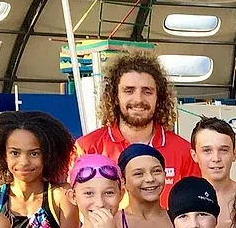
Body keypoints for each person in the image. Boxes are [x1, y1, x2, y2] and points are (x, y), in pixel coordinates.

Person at [74, 50, 198, 208]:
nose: (138, 99)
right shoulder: (87, 148)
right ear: (114, 96)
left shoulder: (183, 150)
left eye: (147, 92)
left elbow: (195, 207)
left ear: (158, 98)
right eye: (129, 91)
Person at [187, 117, 236, 228]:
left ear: (234, 154)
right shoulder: (182, 198)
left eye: (223, 150)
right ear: (194, 155)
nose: (216, 158)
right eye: (207, 150)